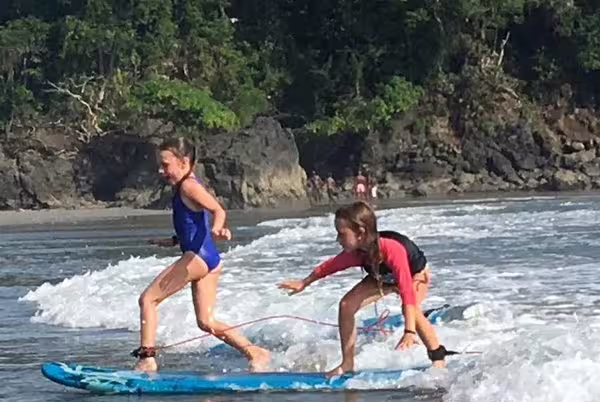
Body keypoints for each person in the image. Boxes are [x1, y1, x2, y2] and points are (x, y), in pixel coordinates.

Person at [137, 137, 270, 372]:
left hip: (198, 257)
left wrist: (219, 226)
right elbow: (194, 225)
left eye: (166, 164)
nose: (162, 170)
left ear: (184, 161)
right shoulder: (184, 187)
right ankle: (255, 352)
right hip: (209, 259)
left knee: (148, 300)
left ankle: (147, 359)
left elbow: (217, 209)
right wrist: (173, 241)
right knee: (206, 322)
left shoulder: (189, 186)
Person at [278, 201, 453, 377]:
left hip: (415, 274)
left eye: (341, 234)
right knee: (346, 305)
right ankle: (347, 363)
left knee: (412, 310)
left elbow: (407, 291)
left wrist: (409, 331)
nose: (337, 239)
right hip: (382, 277)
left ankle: (438, 357)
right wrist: (304, 282)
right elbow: (330, 266)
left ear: (360, 233)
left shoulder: (392, 249)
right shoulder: (357, 252)